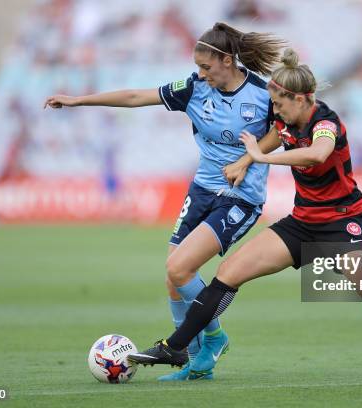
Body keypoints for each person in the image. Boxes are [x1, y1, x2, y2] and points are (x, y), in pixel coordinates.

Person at [128, 49, 362, 385]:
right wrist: (245, 162)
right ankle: (175, 347)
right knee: (229, 272)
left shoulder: (326, 123)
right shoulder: (285, 121)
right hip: (302, 223)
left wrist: (259, 157)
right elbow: (271, 140)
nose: (275, 111)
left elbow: (316, 155)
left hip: (342, 225)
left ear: (302, 99)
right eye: (273, 104)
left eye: (280, 104)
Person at [44, 22, 286, 381]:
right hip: (202, 190)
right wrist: (80, 100)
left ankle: (212, 340)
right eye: (198, 67)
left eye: (207, 67)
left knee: (179, 268)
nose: (200, 74)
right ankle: (194, 360)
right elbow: (136, 97)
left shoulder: (262, 93)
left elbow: (281, 133)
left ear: (226, 59)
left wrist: (246, 159)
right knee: (174, 277)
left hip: (240, 198)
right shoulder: (194, 88)